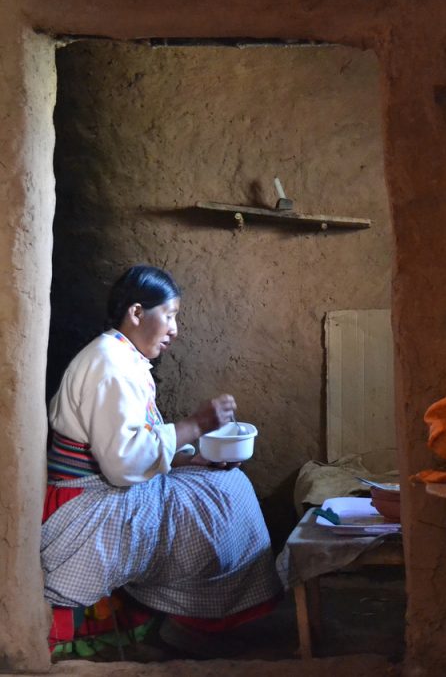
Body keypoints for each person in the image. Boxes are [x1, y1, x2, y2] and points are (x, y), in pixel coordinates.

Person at [41, 265, 281, 652]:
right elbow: (122, 467)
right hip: (82, 506)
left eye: (175, 318)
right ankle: (193, 623)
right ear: (137, 313)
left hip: (101, 489)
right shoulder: (109, 365)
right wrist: (196, 425)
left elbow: (136, 442)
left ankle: (196, 619)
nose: (174, 329)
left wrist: (191, 458)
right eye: (168, 316)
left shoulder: (122, 358)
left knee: (226, 483)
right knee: (215, 507)